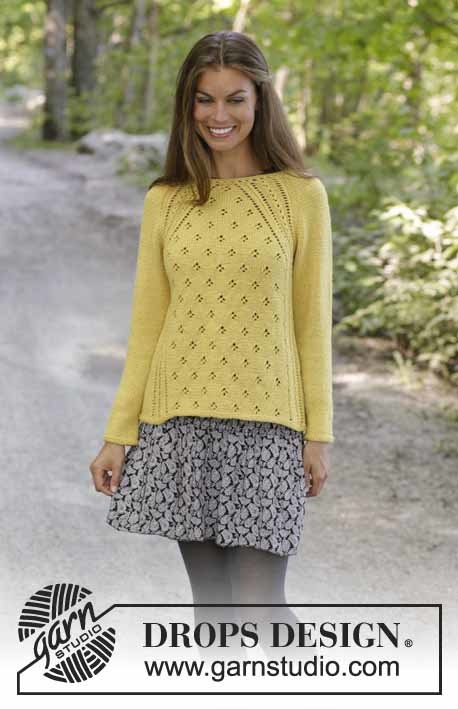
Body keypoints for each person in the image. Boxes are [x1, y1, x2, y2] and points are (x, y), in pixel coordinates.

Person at [89, 30, 334, 660]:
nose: (218, 115)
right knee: (213, 612)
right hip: (179, 422)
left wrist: (319, 434)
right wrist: (118, 433)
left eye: (234, 99)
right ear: (187, 105)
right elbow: (148, 324)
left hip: (268, 426)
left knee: (260, 608)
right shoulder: (166, 199)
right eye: (204, 100)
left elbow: (312, 325)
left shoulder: (299, 196)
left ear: (261, 101)